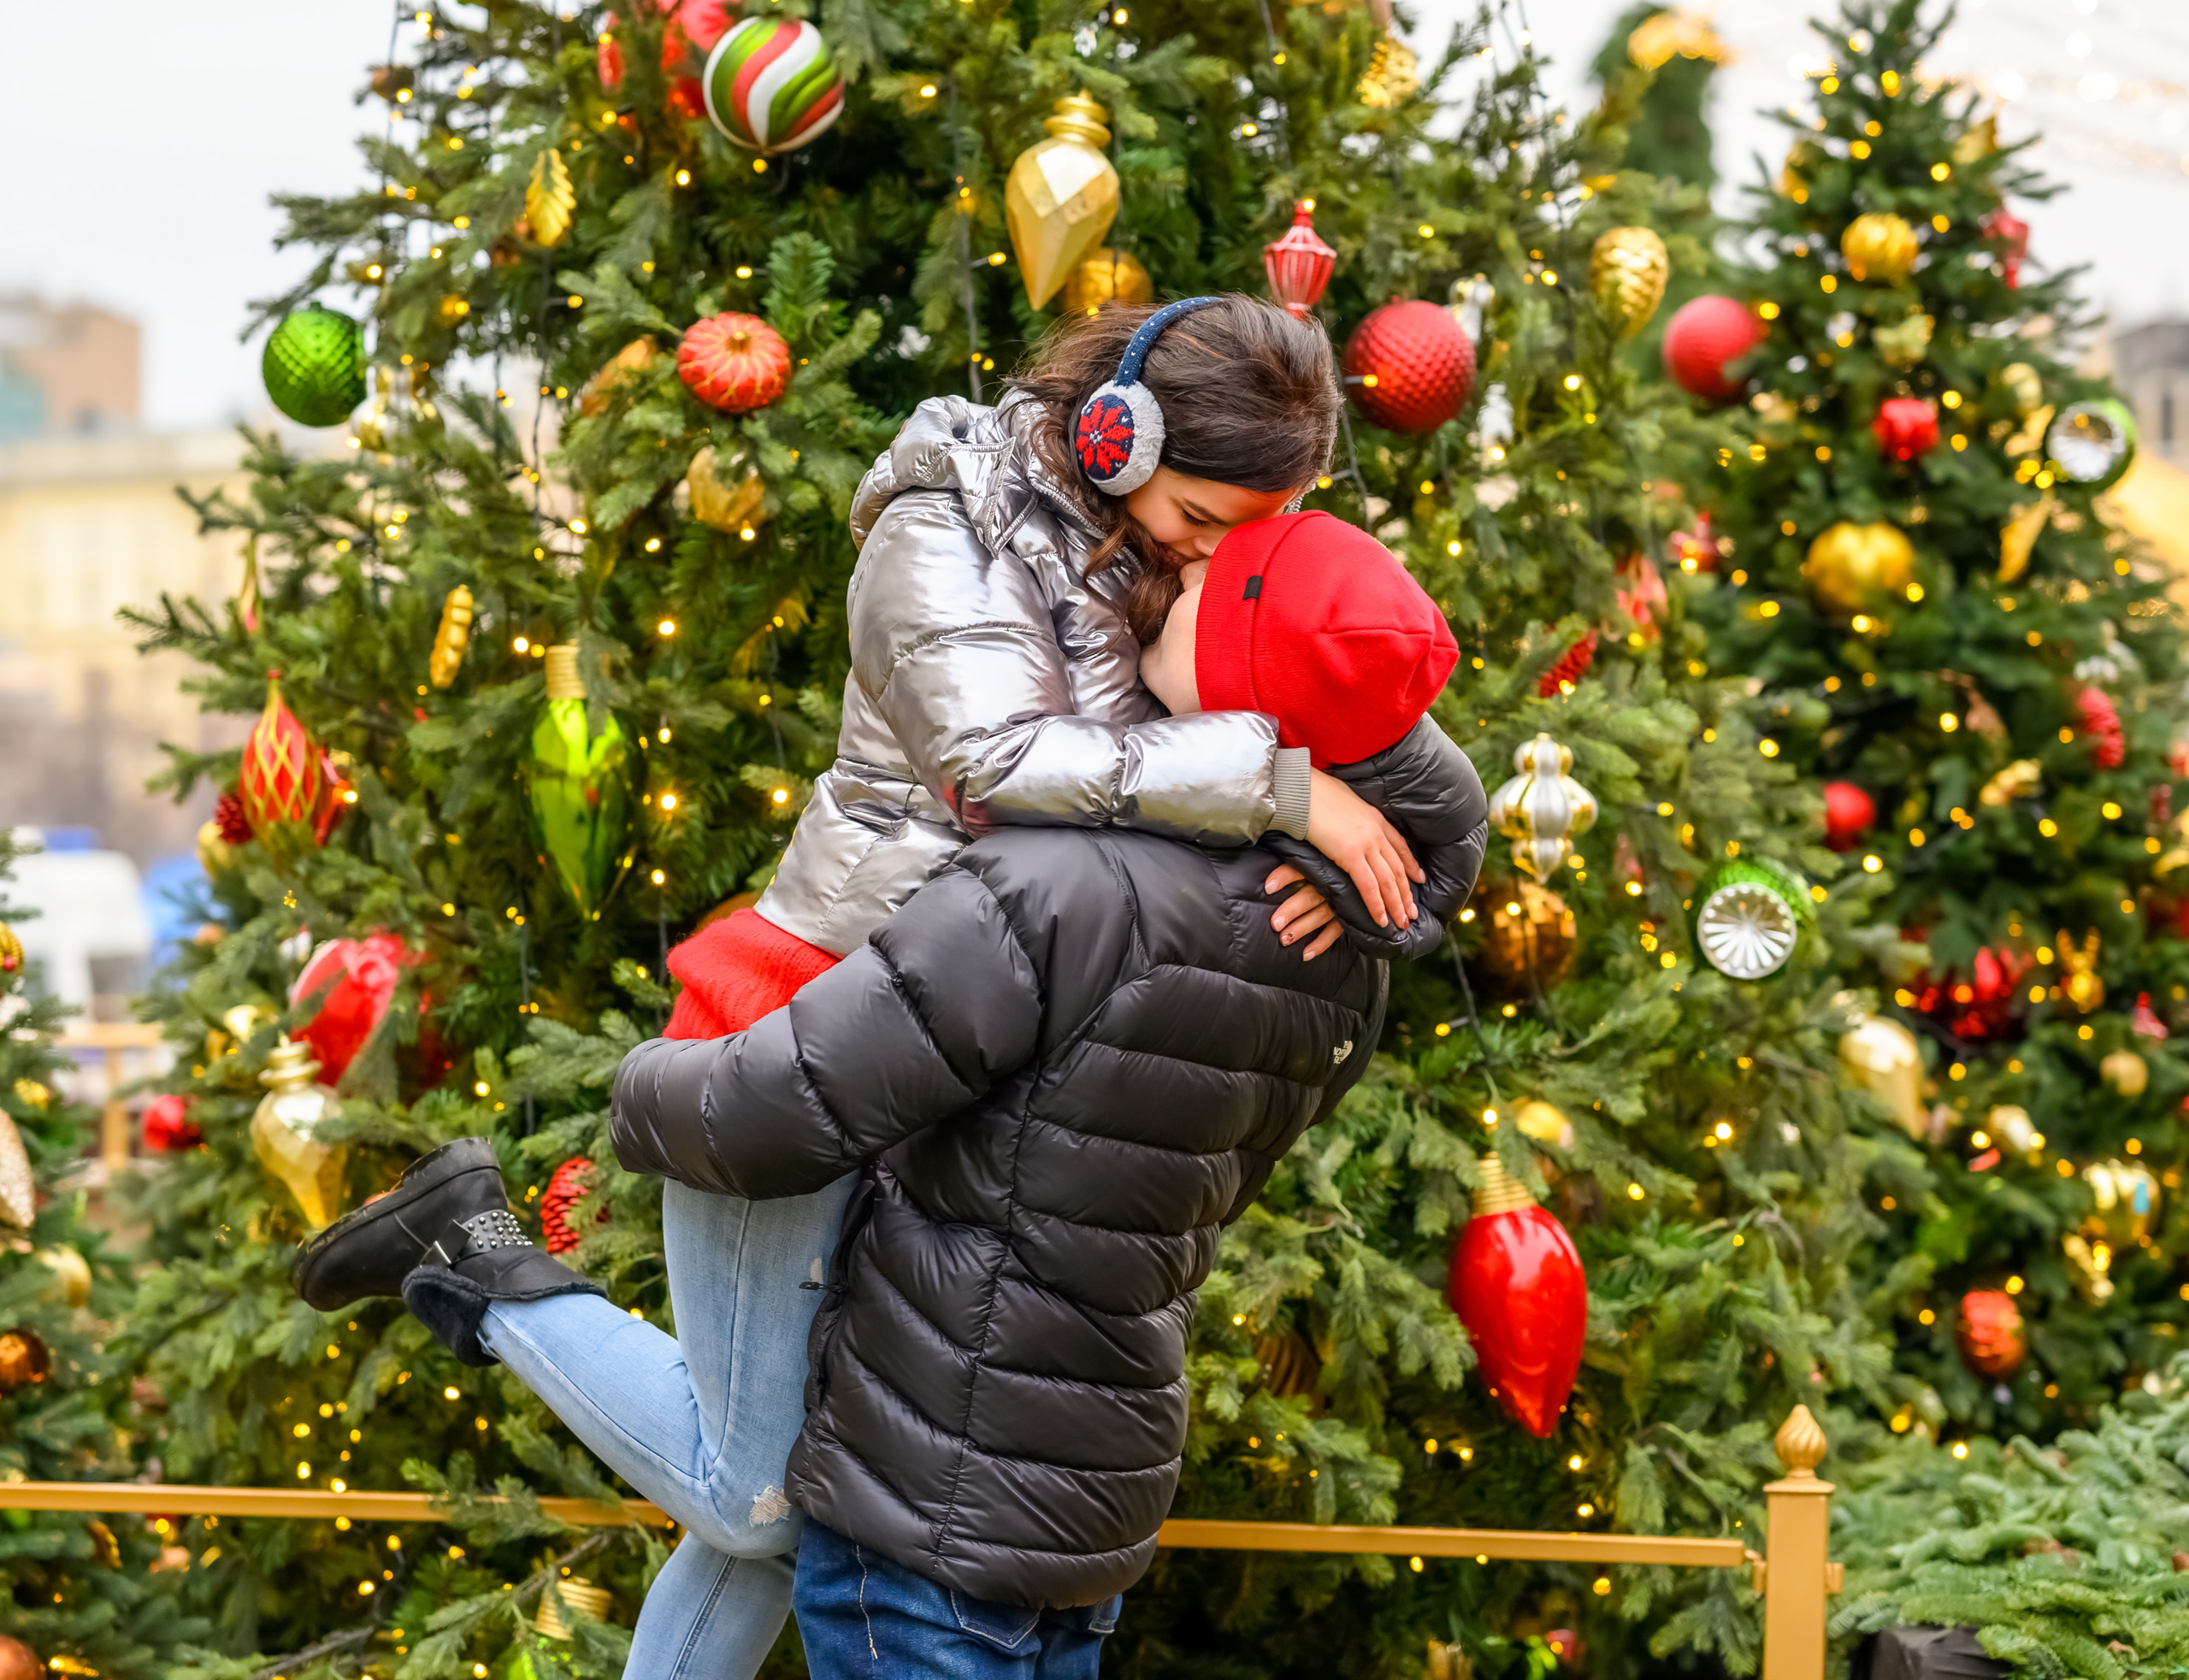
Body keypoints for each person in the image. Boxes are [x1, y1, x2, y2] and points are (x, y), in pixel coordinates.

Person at [292, 298, 1446, 1675]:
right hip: (817, 1017)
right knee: (757, 1499)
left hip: (979, 1044)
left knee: (801, 1503)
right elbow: (998, 761)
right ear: (1115, 431)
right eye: (1205, 517)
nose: (1217, 555)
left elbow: (1409, 762)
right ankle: (470, 1259)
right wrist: (1281, 784)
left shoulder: (1175, 557)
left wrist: (1387, 887)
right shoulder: (942, 523)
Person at [600, 509, 1488, 1674]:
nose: (1160, 585)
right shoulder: (1343, 956)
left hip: (930, 1507)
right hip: (1094, 1511)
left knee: (734, 1496)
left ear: (1236, 667)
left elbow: (787, 1108)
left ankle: (489, 1274)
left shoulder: (1062, 878)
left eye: (1207, 580)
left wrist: (636, 1080)